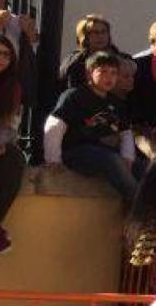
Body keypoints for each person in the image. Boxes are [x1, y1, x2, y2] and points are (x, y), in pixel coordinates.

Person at [44, 52, 139, 200]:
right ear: (89, 73)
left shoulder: (116, 102)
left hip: (107, 153)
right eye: (103, 71)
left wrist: (128, 157)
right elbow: (55, 126)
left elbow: (125, 133)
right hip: (77, 152)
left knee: (144, 167)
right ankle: (140, 205)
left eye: (114, 73)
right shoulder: (75, 96)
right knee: (111, 160)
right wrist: (53, 159)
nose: (109, 77)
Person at [0, 34, 25, 255]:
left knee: (14, 160)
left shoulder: (12, 86)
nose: (1, 58)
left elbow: (9, 122)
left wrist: (0, 142)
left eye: (6, 54)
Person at [59, 14, 124, 90]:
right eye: (95, 32)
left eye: (103, 32)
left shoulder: (119, 58)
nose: (100, 36)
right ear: (85, 36)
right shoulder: (77, 62)